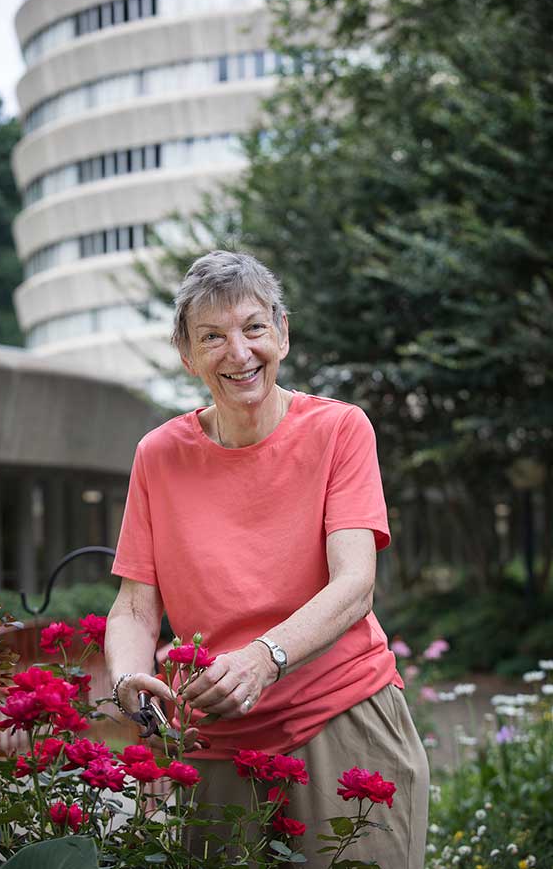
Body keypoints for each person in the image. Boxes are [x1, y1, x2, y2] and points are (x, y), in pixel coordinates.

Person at [105, 250, 429, 867]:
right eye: (212, 337)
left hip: (342, 719)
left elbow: (355, 584)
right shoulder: (158, 455)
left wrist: (264, 658)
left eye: (254, 328)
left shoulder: (340, 429)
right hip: (214, 742)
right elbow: (133, 607)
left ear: (282, 332)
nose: (238, 352)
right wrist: (126, 680)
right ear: (187, 355)